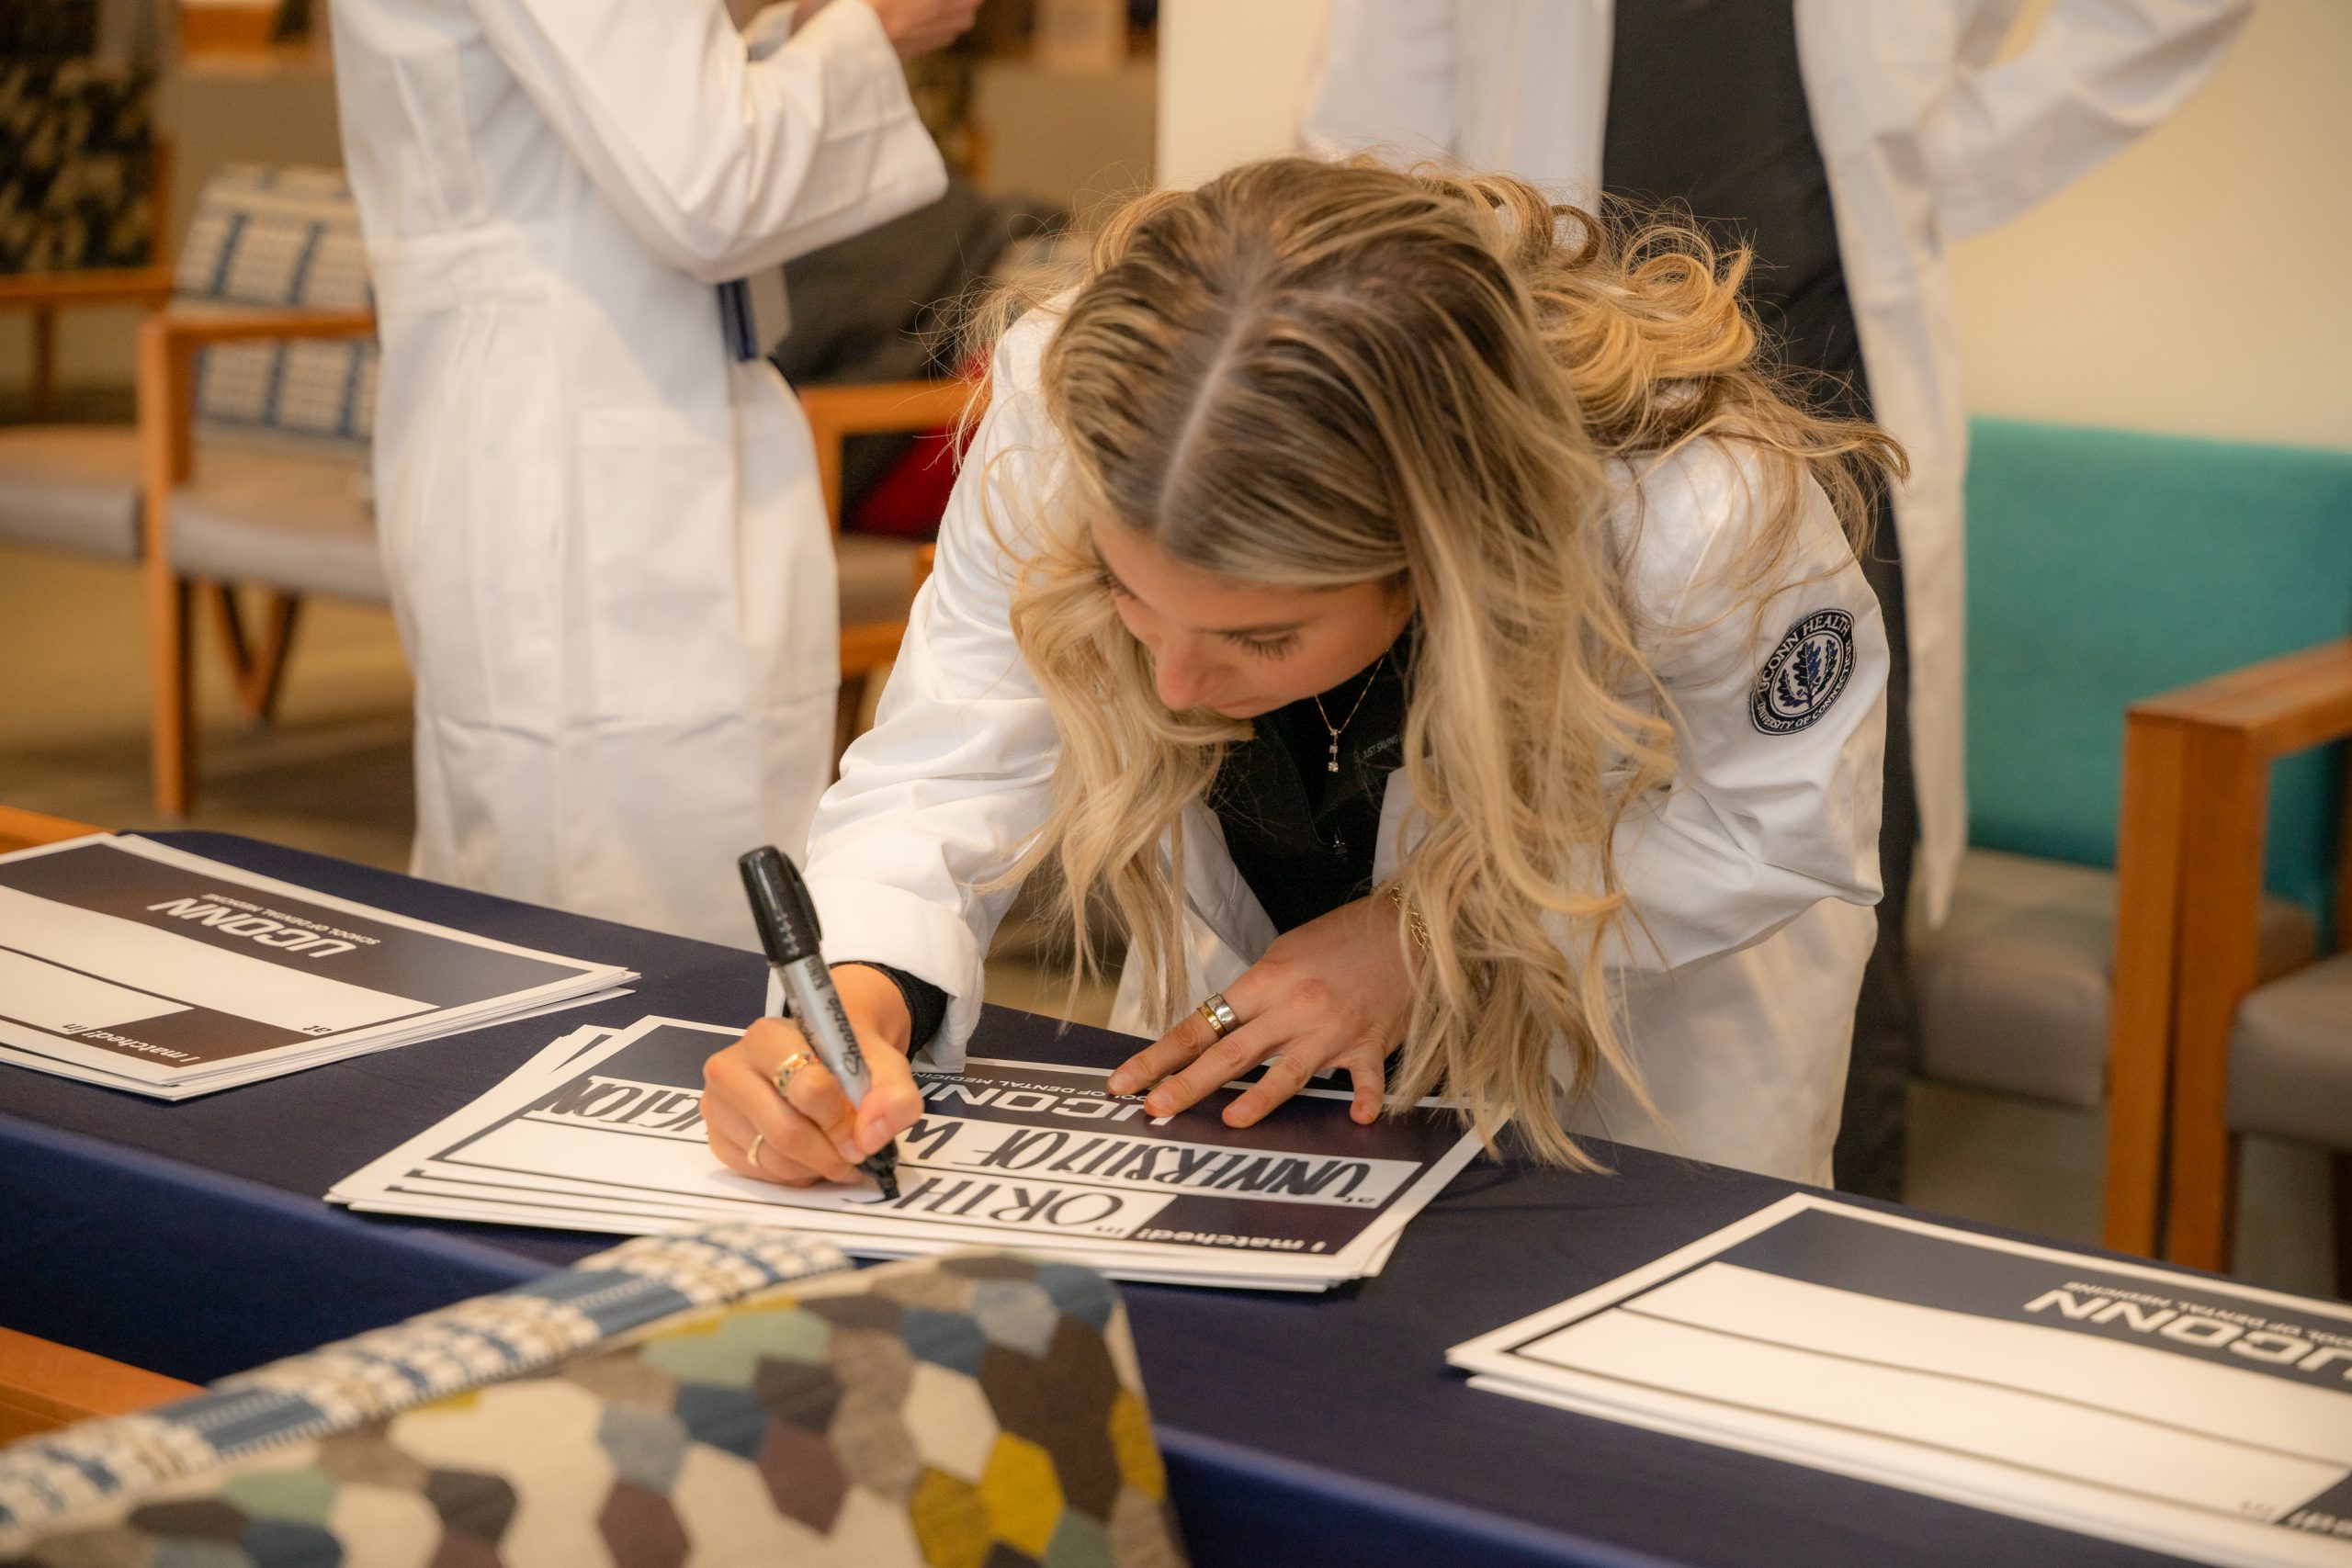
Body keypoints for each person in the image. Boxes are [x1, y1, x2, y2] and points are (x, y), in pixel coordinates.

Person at [697, 156, 1902, 1192]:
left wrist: (1431, 937)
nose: (1171, 683)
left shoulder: (1692, 509)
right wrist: (861, 980)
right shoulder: (1075, 408)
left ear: (1440, 556)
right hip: (1261, 1026)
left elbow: (1783, 826)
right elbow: (946, 763)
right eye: (1129, 598)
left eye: (1260, 639)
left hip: (1633, 1054)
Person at [1298, 0, 2252, 1197]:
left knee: (1823, 951)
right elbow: (1364, 140)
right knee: (1484, 887)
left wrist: (1909, 175)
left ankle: (1810, 1282)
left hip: (1824, 412)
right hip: (1520, 440)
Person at [329, 0, 978, 947]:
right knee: (612, 898)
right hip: (582, 438)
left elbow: (645, 111)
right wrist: (867, 28)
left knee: (630, 854)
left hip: (591, 406)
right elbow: (708, 185)